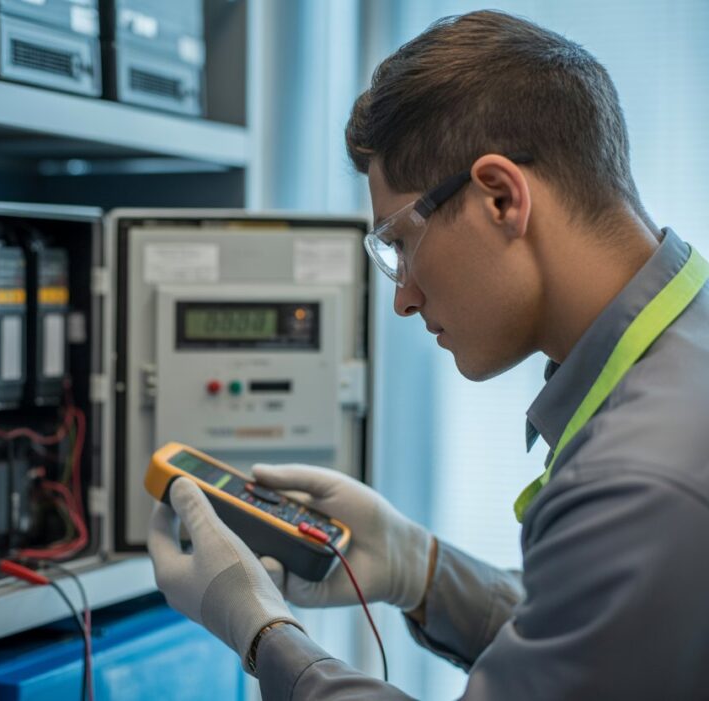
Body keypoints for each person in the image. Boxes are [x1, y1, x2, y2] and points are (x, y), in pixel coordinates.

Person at [146, 9, 709, 700]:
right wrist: (422, 569)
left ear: (501, 197)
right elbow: (600, 654)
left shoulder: (641, 477)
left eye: (401, 243)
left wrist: (263, 634)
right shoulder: (682, 356)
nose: (404, 298)